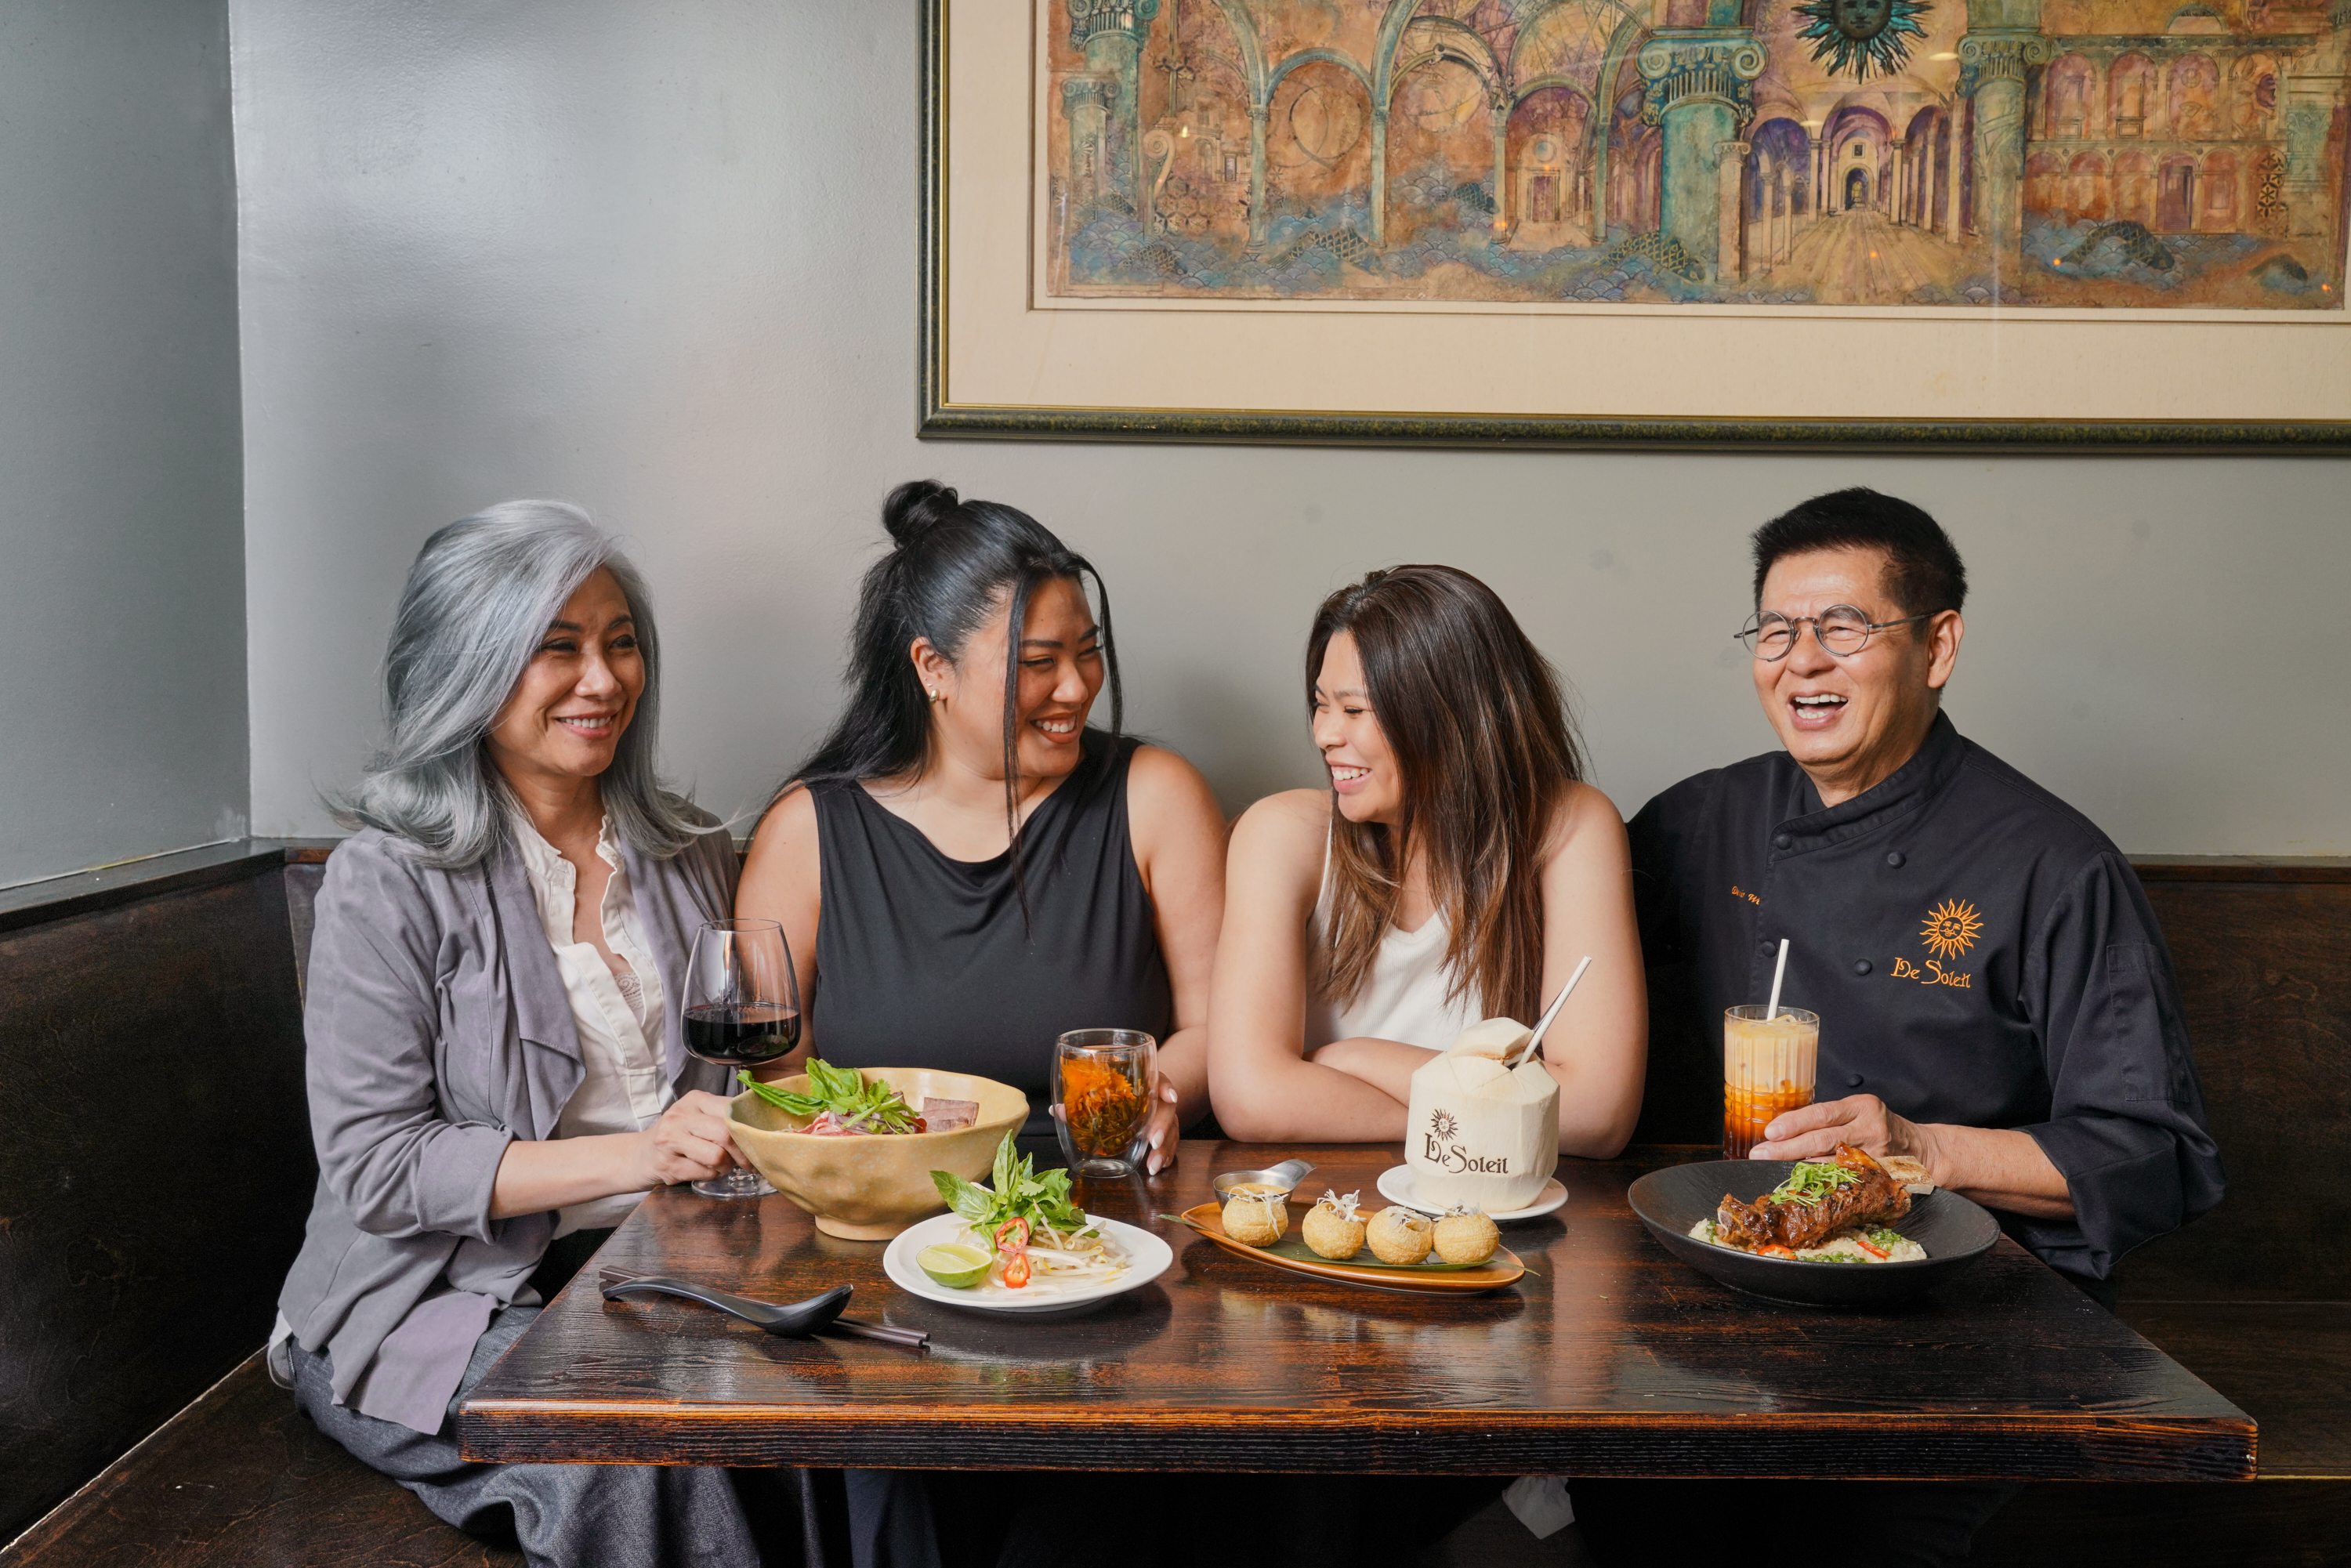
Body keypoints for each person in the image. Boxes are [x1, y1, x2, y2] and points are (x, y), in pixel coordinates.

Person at [1582, 487, 2226, 1568]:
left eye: (1843, 628)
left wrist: (1921, 1150)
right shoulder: (1702, 821)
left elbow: (2156, 1156)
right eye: (1777, 631)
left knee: (1851, 1536)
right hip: (1735, 1286)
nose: (1802, 660)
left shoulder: (2054, 865)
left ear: (1938, 646)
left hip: (1969, 1315)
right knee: (1638, 1508)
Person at [270, 502, 776, 1568]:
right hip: (438, 1303)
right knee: (639, 1456)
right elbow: (377, 1165)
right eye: (558, 648)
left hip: (654, 1278)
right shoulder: (387, 882)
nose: (603, 680)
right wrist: (641, 1154)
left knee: (820, 1423)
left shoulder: (687, 850)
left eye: (621, 642)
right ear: (469, 664)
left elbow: (748, 1081)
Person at [736, 480, 1226, 1164]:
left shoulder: (1157, 797)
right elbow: (781, 1075)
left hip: (1103, 1201)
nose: (1079, 687)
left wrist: (1159, 1093)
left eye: (1088, 650)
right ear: (932, 667)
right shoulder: (806, 831)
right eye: (1037, 663)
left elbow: (1211, 1026)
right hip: (878, 1209)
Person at [1208, 564, 1646, 1151]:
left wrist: (1351, 1059)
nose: (1324, 734)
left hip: (1504, 1220)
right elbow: (1250, 1100)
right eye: (1321, 705)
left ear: (1450, 718)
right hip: (1318, 1212)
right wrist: (1487, 1113)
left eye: (1354, 710)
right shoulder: (1281, 835)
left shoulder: (1571, 825)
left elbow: (1597, 1113)